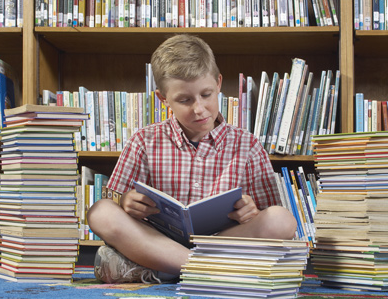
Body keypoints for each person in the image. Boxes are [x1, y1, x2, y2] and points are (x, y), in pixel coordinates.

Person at [87, 34, 297, 284]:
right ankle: (205, 269)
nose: (199, 109)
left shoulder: (247, 144)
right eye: (185, 100)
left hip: (222, 243)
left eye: (206, 94)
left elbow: (268, 214)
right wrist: (127, 204)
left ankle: (169, 271)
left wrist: (251, 213)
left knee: (282, 220)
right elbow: (115, 204)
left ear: (219, 83)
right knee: (100, 212)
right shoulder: (145, 140)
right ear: (163, 99)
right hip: (157, 242)